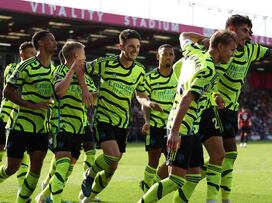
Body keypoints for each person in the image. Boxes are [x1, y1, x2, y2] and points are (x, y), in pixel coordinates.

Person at [177, 14, 272, 203]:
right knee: (224, 155)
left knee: (226, 156)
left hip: (230, 109)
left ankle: (209, 191)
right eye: (245, 31)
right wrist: (213, 92)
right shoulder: (216, 45)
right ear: (231, 30)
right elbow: (192, 63)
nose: (249, 36)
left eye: (251, 32)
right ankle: (215, 198)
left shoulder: (250, 50)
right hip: (213, 106)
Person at [138, 30, 237, 203]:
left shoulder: (194, 52)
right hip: (183, 125)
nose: (233, 54)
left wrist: (204, 39)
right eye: (232, 49)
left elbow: (184, 35)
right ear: (220, 47)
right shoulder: (208, 69)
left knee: (194, 175)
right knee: (176, 179)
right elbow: (187, 99)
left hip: (192, 127)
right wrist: (175, 132)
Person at [80, 29, 162, 202]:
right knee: (112, 155)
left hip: (123, 122)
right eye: (131, 46)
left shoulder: (139, 70)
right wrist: (86, 90)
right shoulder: (106, 63)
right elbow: (80, 68)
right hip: (103, 117)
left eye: (138, 47)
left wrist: (148, 103)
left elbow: (140, 94)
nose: (135, 50)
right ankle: (90, 173)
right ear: (121, 46)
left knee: (112, 168)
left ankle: (88, 198)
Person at [35, 41, 96, 203]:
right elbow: (60, 92)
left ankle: (42, 196)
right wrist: (72, 70)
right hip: (61, 124)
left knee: (71, 167)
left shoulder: (85, 76)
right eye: (83, 55)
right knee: (62, 166)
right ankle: (56, 200)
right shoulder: (59, 71)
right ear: (76, 56)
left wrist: (89, 87)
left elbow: (92, 99)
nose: (85, 58)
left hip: (81, 126)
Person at [0, 30, 57, 202]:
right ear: (40, 43)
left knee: (36, 169)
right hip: (20, 125)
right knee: (11, 168)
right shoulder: (25, 66)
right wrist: (32, 106)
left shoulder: (54, 69)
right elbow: (7, 92)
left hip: (41, 127)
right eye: (51, 39)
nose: (55, 42)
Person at [139, 44, 177, 192]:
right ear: (158, 56)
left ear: (174, 57)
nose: (168, 56)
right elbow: (145, 103)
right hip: (155, 125)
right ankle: (148, 189)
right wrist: (147, 121)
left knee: (173, 161)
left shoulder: (179, 76)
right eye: (165, 54)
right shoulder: (149, 78)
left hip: (173, 127)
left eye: (171, 54)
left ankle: (151, 184)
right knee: (153, 161)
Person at [0, 42, 36, 193]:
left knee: (23, 157)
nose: (33, 57)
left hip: (24, 118)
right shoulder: (12, 68)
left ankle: (22, 191)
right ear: (21, 54)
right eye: (30, 54)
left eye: (35, 54)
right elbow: (16, 89)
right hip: (5, 116)